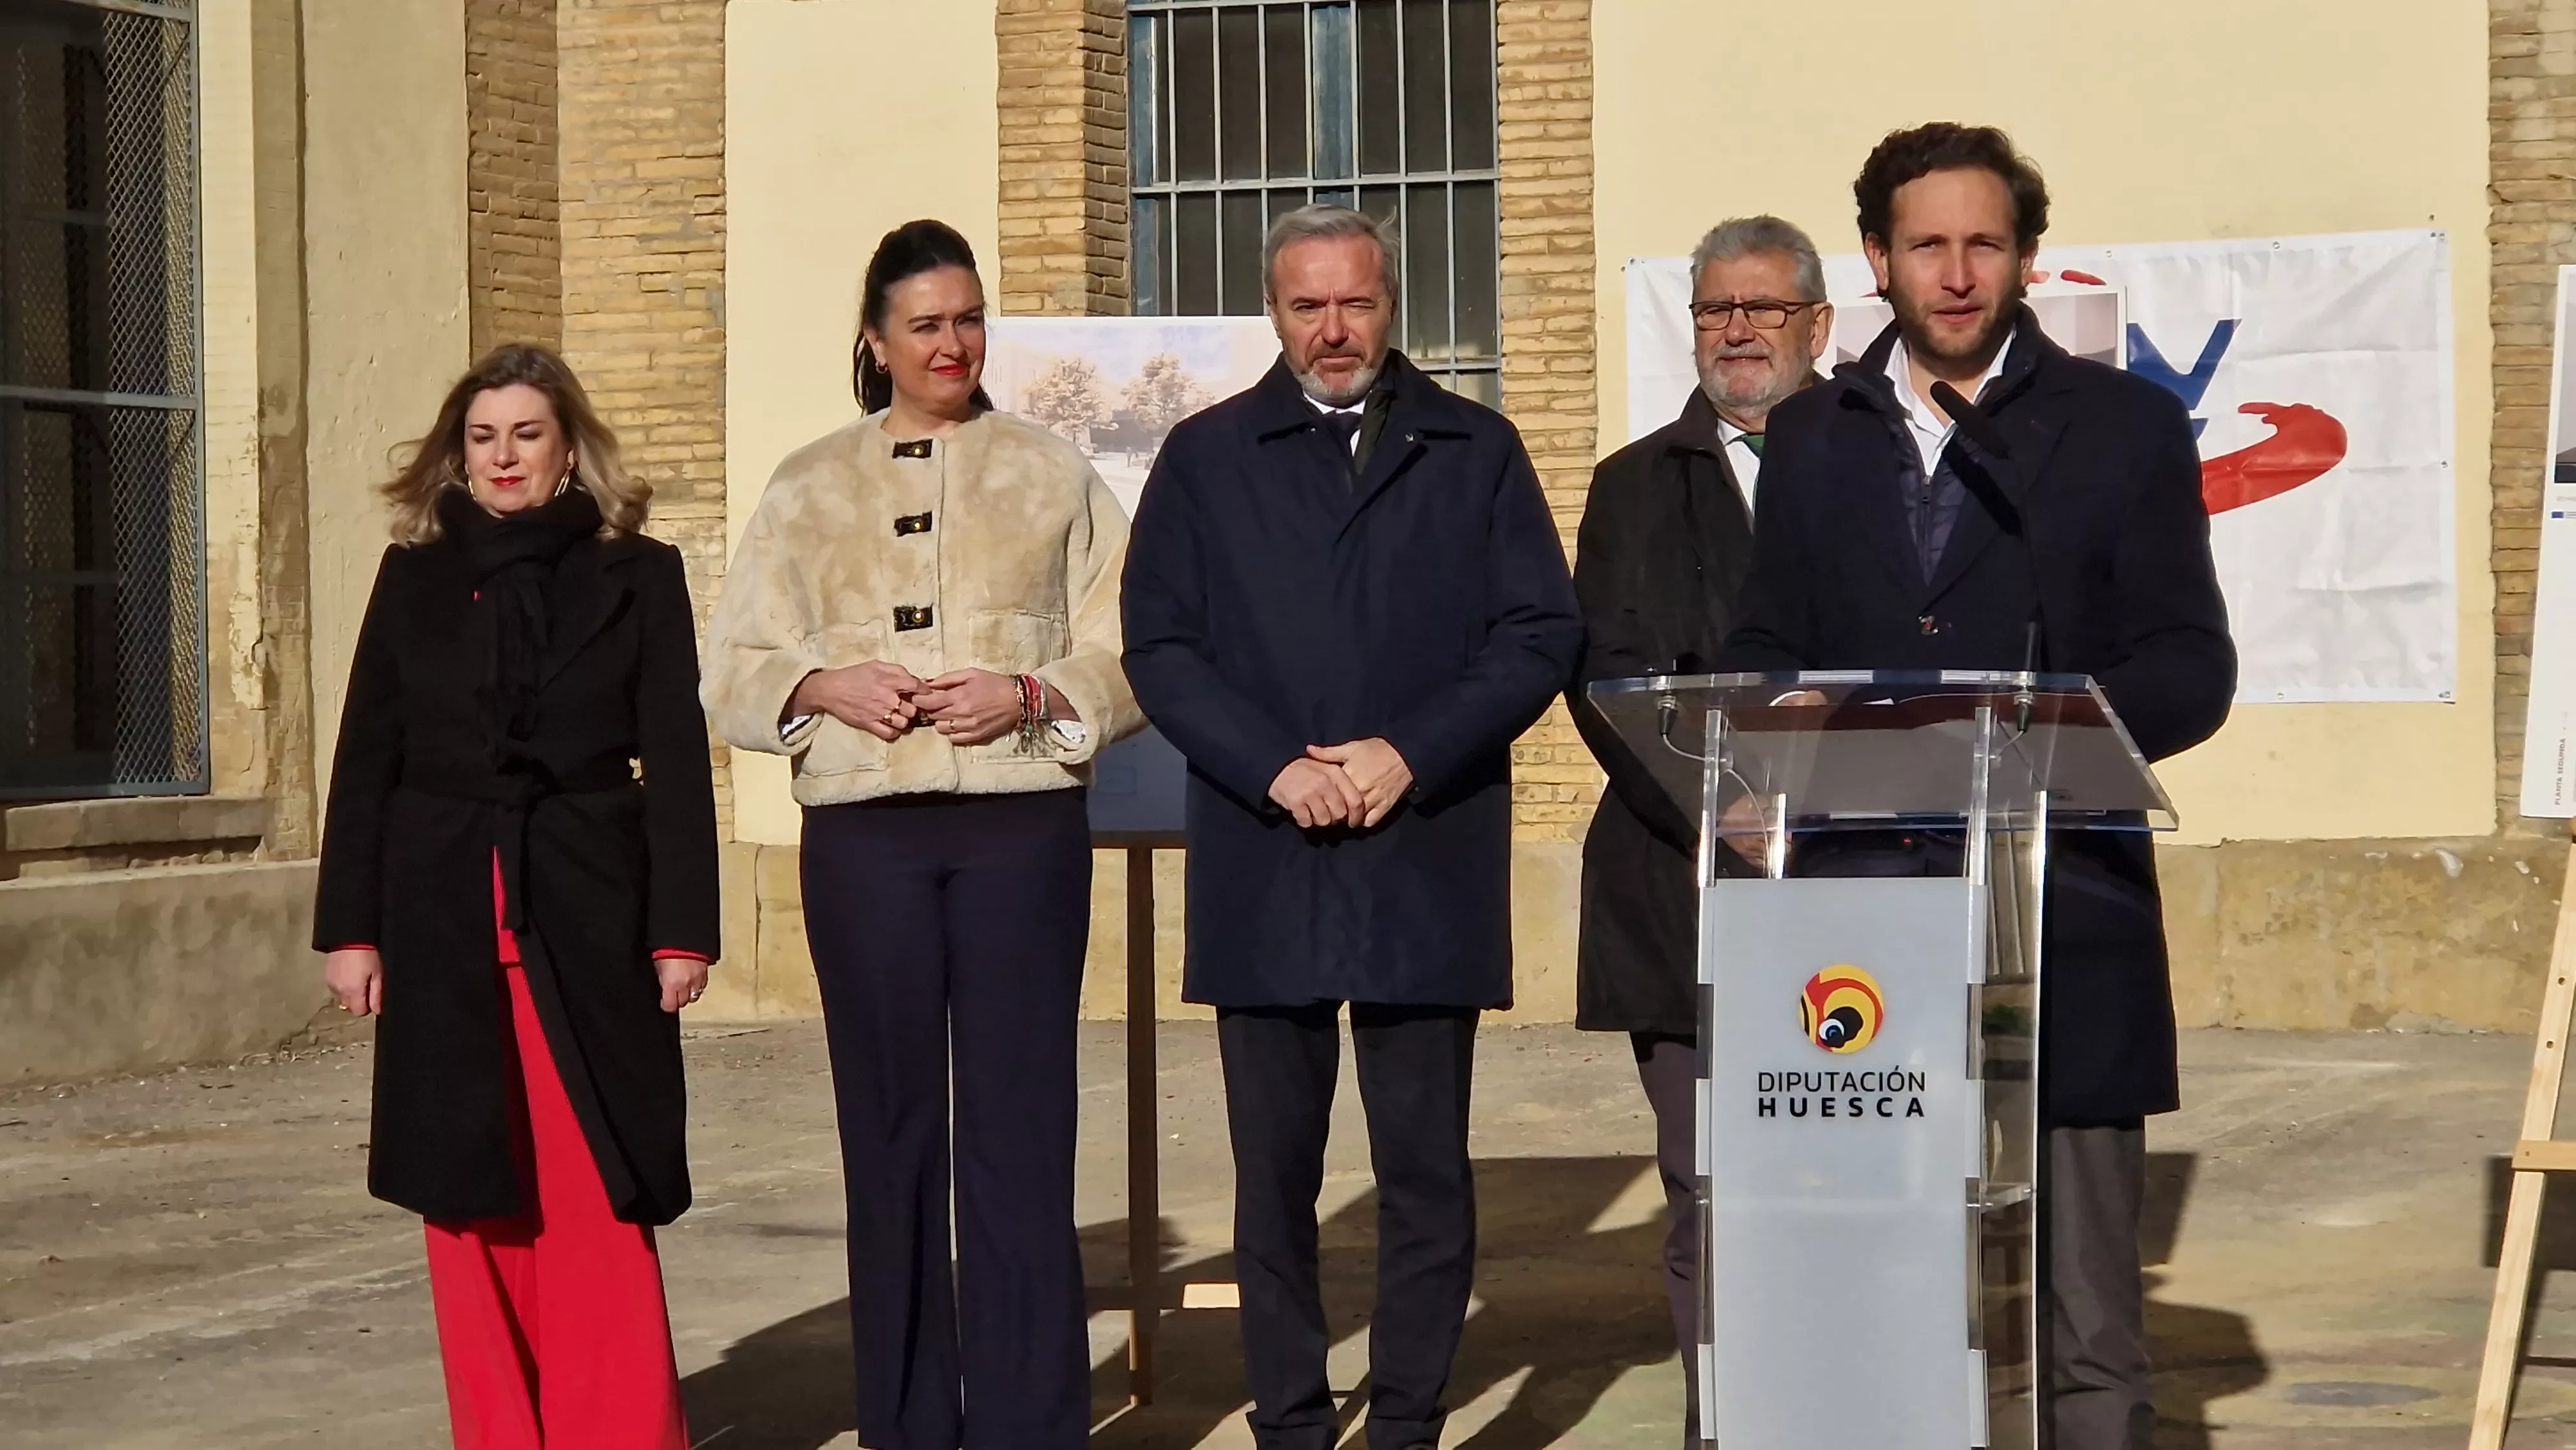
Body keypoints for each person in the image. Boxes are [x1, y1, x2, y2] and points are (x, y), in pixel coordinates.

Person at [1721, 124, 2235, 1448]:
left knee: (2086, 1321)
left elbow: (2191, 663)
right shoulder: (1811, 434)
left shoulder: (2122, 428)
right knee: (1889, 1301)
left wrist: (2041, 735)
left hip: (2062, 908)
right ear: (1877, 260)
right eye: (1927, 245)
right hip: (1865, 930)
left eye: (1983, 245)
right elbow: (1767, 641)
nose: (1955, 274)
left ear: (2025, 259)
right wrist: (1769, 737)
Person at [1121, 203, 1583, 1450]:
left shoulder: (1474, 449)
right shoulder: (1206, 456)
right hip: (1264, 855)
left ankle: (1408, 1422)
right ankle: (1288, 1419)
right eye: (1307, 305)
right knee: (1273, 1179)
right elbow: (1161, 646)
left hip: (1421, 850)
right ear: (1273, 312)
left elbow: (1538, 632)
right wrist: (1272, 767)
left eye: (1356, 303)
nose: (1333, 330)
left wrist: (1411, 752)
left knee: (1424, 1172)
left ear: (1393, 304)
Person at [699, 218, 1141, 1450]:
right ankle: (904, 1425)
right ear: (876, 339)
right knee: (886, 1132)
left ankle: (1031, 1425)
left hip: (1021, 831)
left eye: (969, 319)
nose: (954, 344)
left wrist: (1034, 694)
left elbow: (1133, 646)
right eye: (927, 324)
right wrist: (820, 685)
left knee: (1021, 1130)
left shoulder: (1053, 473)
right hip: (867, 843)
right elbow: (731, 665)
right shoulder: (807, 484)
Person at [312, 344, 720, 1450]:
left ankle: (621, 1431)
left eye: (527, 435)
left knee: (594, 1183)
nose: (504, 457)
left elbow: (678, 760)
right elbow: (368, 757)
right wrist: (351, 929)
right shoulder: (414, 577)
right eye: (483, 437)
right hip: (439, 911)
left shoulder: (638, 574)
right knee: (467, 1189)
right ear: (459, 452)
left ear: (568, 449)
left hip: (589, 908)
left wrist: (683, 931)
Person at [1567, 214, 1833, 1444]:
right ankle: (1722, 1424)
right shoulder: (1633, 486)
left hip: (1857, 880)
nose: (1738, 331)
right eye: (1717, 309)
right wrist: (1713, 803)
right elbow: (1606, 677)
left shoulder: (1890, 467)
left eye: (1763, 308)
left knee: (1848, 1178)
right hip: (1682, 879)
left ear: (1816, 324)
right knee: (1711, 1186)